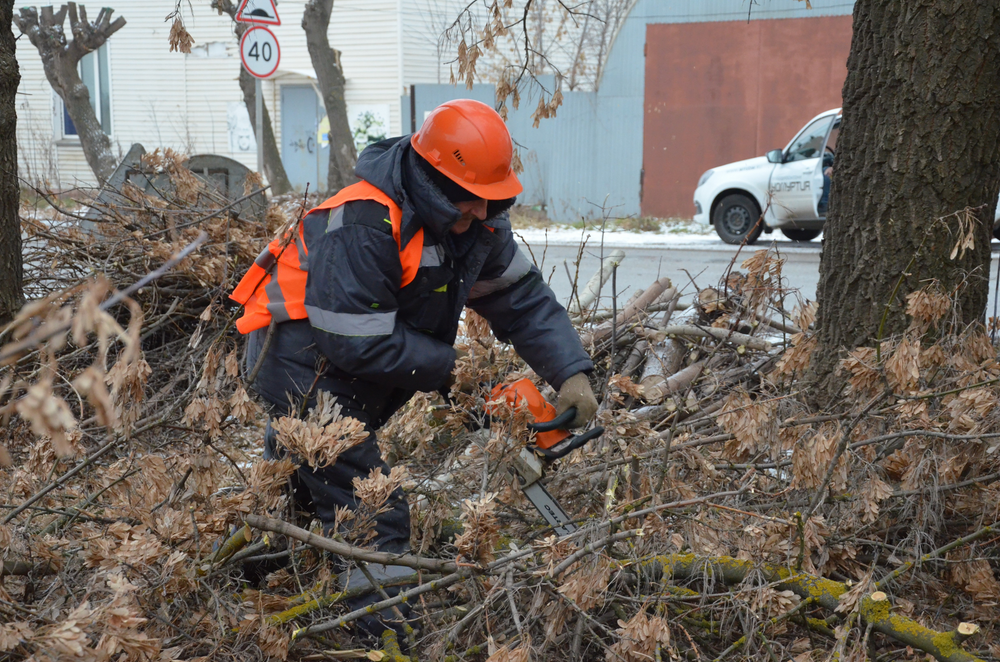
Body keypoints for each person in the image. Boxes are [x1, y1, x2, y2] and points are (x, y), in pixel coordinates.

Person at [229, 99, 597, 638]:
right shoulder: (363, 220)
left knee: (295, 496)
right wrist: (454, 370)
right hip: (299, 364)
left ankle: (233, 586)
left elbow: (522, 299)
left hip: (350, 365)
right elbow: (353, 340)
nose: (480, 212)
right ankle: (383, 639)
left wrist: (570, 370)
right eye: (470, 200)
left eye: (489, 201)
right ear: (433, 176)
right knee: (372, 509)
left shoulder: (477, 224)